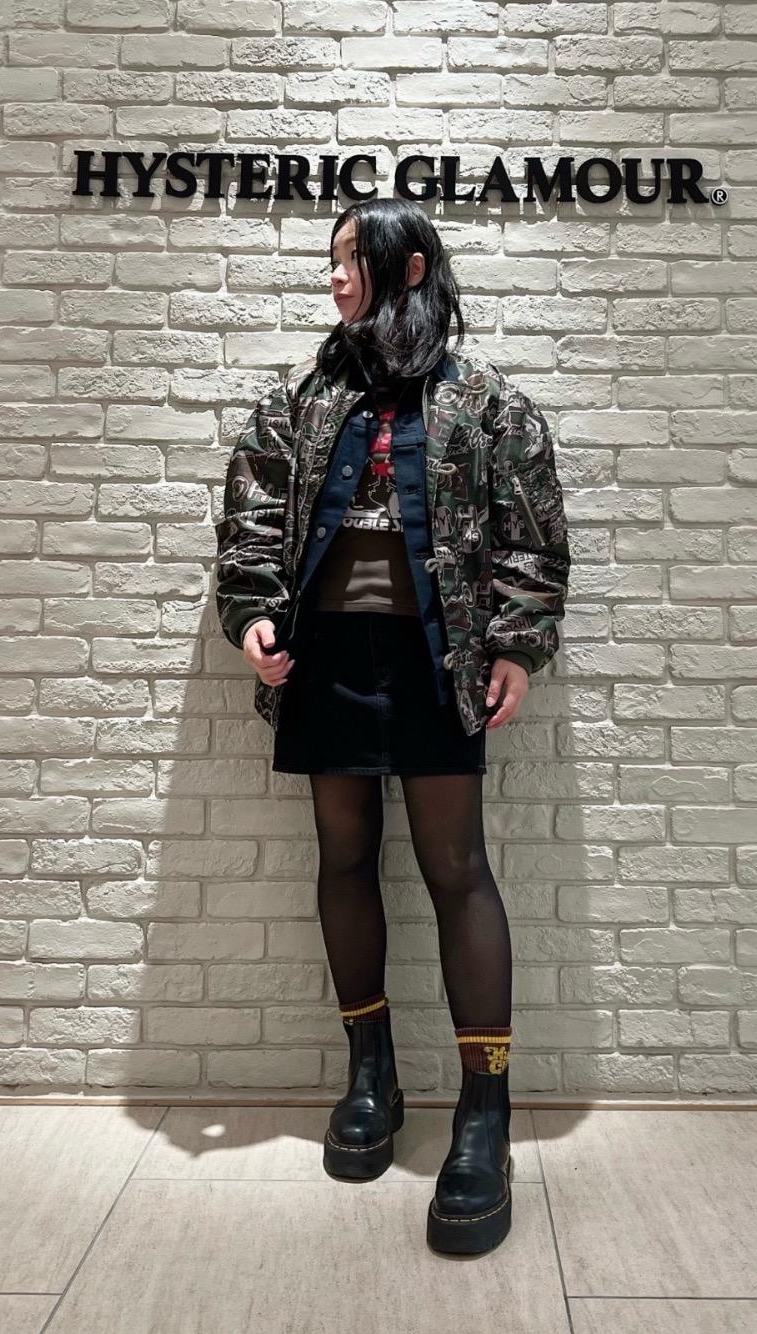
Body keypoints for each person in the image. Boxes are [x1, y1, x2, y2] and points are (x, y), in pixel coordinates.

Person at [215, 198, 570, 1255]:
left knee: (457, 868)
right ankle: (370, 1073)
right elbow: (248, 518)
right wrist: (253, 615)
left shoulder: (485, 401)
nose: (333, 277)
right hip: (326, 657)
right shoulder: (302, 396)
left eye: (349, 259)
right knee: (343, 855)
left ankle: (485, 1106)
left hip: (438, 659)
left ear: (407, 268)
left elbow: (533, 532)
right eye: (329, 259)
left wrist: (516, 644)